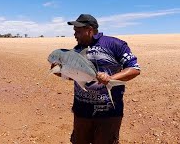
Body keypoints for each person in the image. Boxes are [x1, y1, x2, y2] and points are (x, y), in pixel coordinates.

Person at [53, 14, 140, 144]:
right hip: (81, 111)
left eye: (78, 32)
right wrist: (58, 71)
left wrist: (110, 78)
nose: (75, 35)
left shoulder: (115, 44)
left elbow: (134, 69)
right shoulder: (76, 51)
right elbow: (73, 77)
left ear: (89, 30)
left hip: (109, 112)